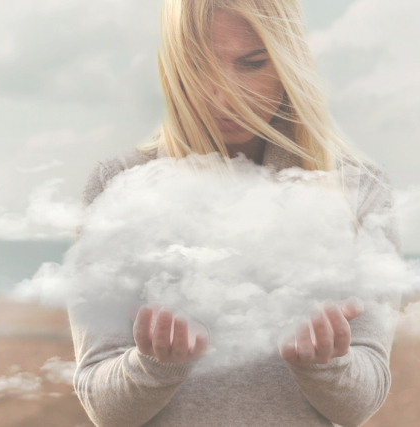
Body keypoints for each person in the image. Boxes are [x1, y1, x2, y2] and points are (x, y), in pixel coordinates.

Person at [69, 0, 401, 425]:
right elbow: (102, 405)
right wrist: (155, 365)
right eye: (199, 66)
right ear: (173, 65)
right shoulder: (117, 186)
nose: (223, 94)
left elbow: (362, 401)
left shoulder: (359, 191)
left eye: (251, 63)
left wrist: (324, 364)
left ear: (288, 60)